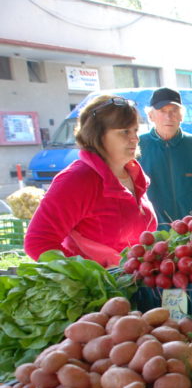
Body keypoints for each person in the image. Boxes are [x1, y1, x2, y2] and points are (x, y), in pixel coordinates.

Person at [25, 94, 157, 267]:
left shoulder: (133, 175)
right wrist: (91, 276)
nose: (135, 138)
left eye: (135, 131)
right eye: (125, 132)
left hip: (138, 286)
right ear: (98, 135)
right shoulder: (78, 179)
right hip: (101, 292)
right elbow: (38, 242)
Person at [139, 87, 192, 227]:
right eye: (162, 111)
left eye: (174, 111)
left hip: (191, 232)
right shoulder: (139, 146)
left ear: (181, 116)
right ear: (151, 116)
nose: (169, 117)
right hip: (153, 234)